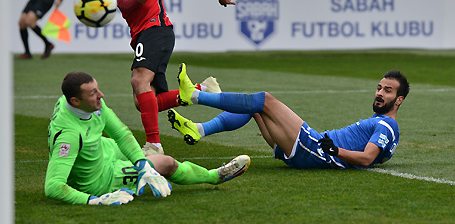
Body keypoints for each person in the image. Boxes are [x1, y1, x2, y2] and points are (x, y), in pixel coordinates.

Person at [98, 0, 235, 155]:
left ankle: (154, 145)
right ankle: (201, 90)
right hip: (140, 35)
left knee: (138, 80)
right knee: (144, 101)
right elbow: (126, 5)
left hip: (157, 28)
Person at [44, 71, 250, 205]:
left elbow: (121, 134)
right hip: (100, 179)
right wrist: (93, 200)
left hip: (101, 148)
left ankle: (143, 167)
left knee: (144, 159)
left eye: (97, 88)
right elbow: (53, 186)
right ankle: (215, 176)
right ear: (75, 101)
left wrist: (142, 164)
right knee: (166, 163)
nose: (101, 95)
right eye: (92, 93)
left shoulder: (82, 103)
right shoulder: (69, 137)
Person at [168, 64, 409, 169]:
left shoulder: (387, 125)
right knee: (254, 107)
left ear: (399, 100)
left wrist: (335, 151)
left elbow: (368, 158)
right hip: (310, 149)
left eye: (387, 91)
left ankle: (197, 96)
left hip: (314, 149)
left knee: (264, 99)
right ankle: (199, 130)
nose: (379, 93)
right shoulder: (382, 123)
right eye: (379, 87)